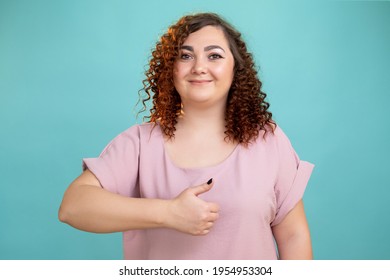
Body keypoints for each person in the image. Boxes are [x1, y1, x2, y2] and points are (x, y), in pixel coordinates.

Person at [58, 12, 314, 260]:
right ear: (171, 69)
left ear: (236, 69)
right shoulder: (139, 144)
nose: (199, 67)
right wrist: (168, 212)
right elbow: (73, 207)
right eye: (185, 55)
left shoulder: (268, 140)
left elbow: (293, 236)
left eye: (214, 55)